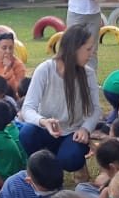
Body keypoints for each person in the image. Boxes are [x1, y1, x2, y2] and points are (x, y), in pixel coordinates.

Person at [19, 24, 102, 179]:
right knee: (27, 133)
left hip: (72, 132)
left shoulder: (88, 74)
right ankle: (43, 167)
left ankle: (60, 163)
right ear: (74, 48)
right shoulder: (45, 70)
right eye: (88, 49)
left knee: (71, 159)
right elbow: (27, 108)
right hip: (47, 130)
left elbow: (95, 109)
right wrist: (43, 122)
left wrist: (85, 129)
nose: (91, 53)